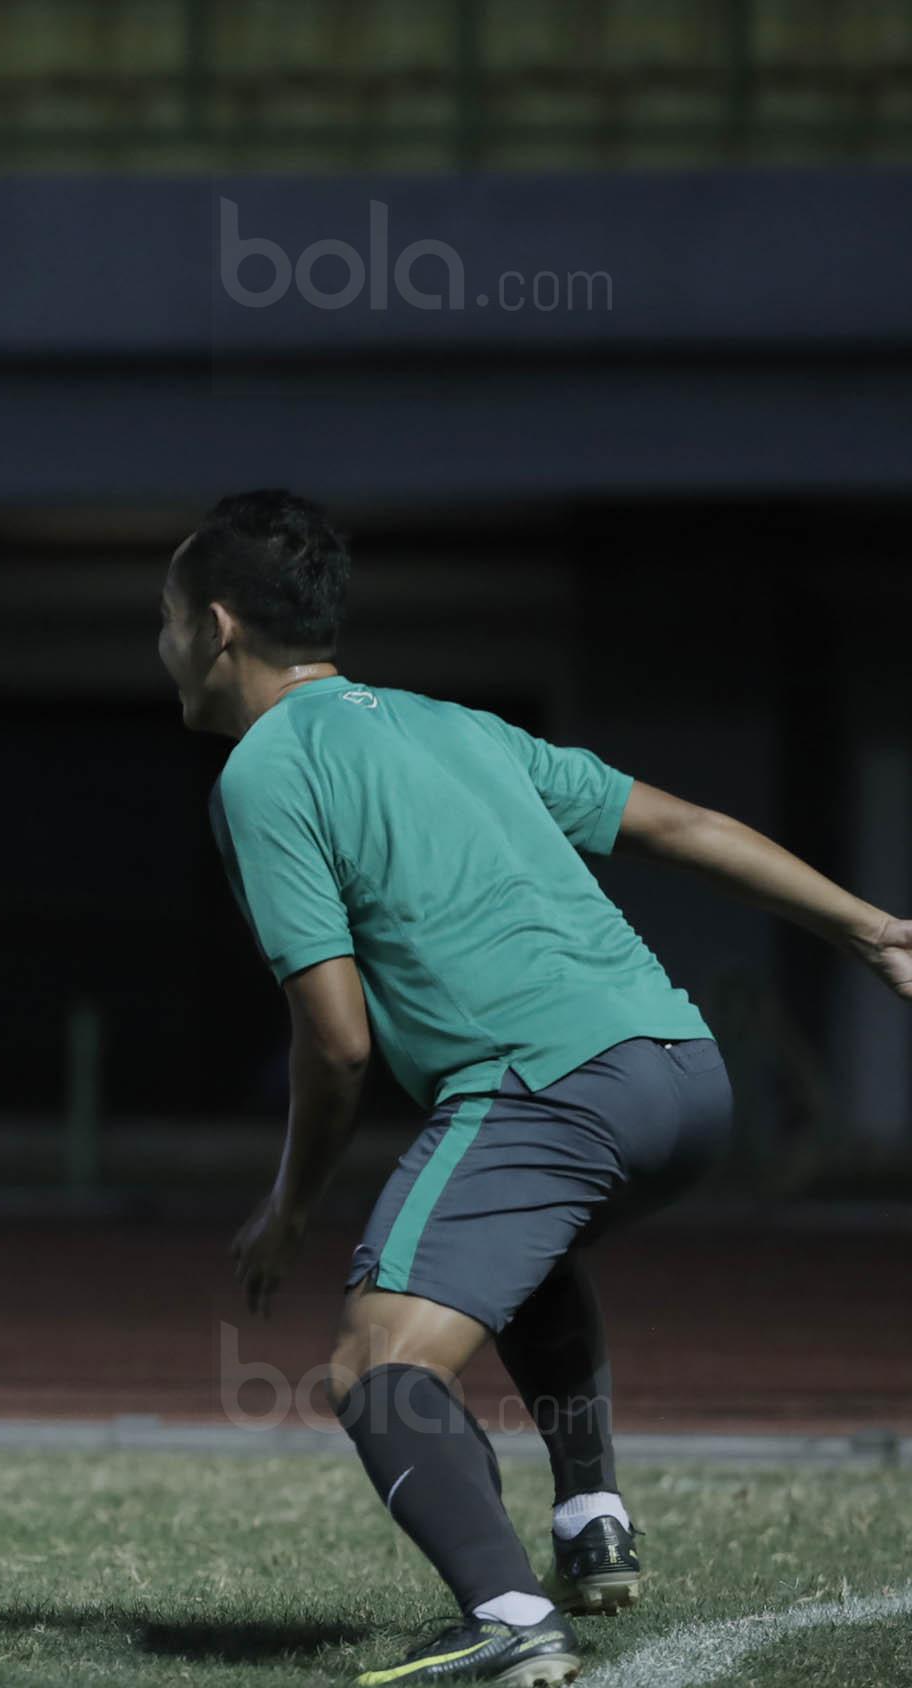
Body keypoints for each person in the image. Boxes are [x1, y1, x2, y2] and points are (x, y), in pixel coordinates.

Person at [161, 491, 912, 1686]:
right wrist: (872, 929)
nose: (163, 653)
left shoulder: (264, 773)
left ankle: (509, 1616)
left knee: (375, 1364)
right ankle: (588, 1519)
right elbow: (686, 820)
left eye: (163, 625)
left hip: (545, 1088)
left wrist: (293, 1204)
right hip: (683, 1073)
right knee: (510, 1252)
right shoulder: (455, 724)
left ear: (213, 627)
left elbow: (339, 1042)